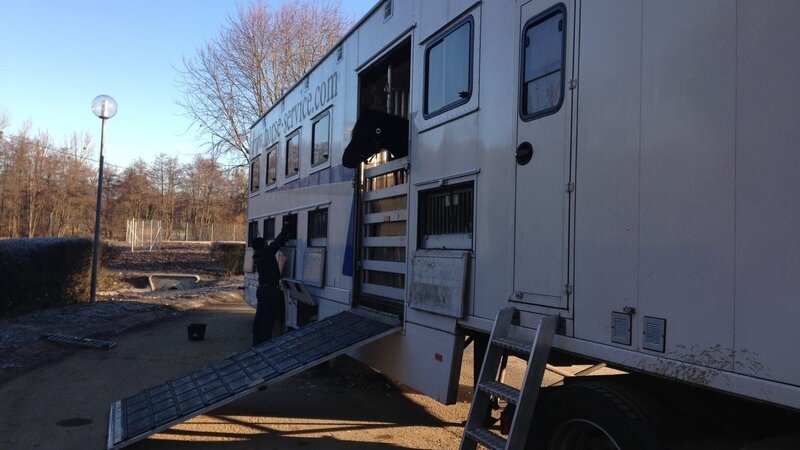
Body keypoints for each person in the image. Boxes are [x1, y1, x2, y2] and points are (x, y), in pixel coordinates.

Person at [251, 228, 292, 346]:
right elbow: (277, 243)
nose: (267, 244)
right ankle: (264, 344)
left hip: (262, 289)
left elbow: (274, 245)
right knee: (268, 319)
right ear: (263, 246)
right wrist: (286, 228)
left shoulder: (258, 255)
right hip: (270, 290)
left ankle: (256, 343)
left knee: (260, 318)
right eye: (265, 243)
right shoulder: (265, 253)